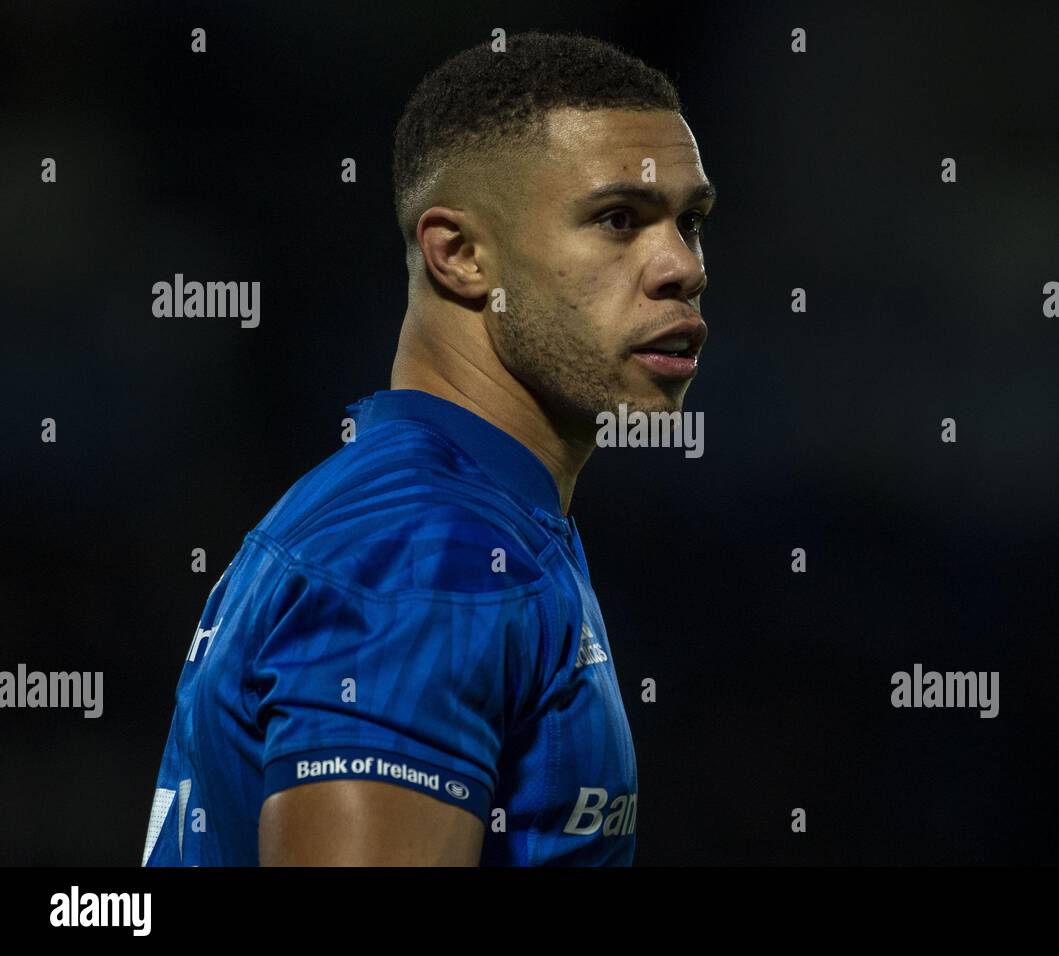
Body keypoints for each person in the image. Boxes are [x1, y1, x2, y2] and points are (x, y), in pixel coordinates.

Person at [141, 30, 715, 866]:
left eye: (690, 222)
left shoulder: (450, 516)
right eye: (618, 219)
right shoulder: (426, 554)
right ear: (460, 255)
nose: (681, 267)